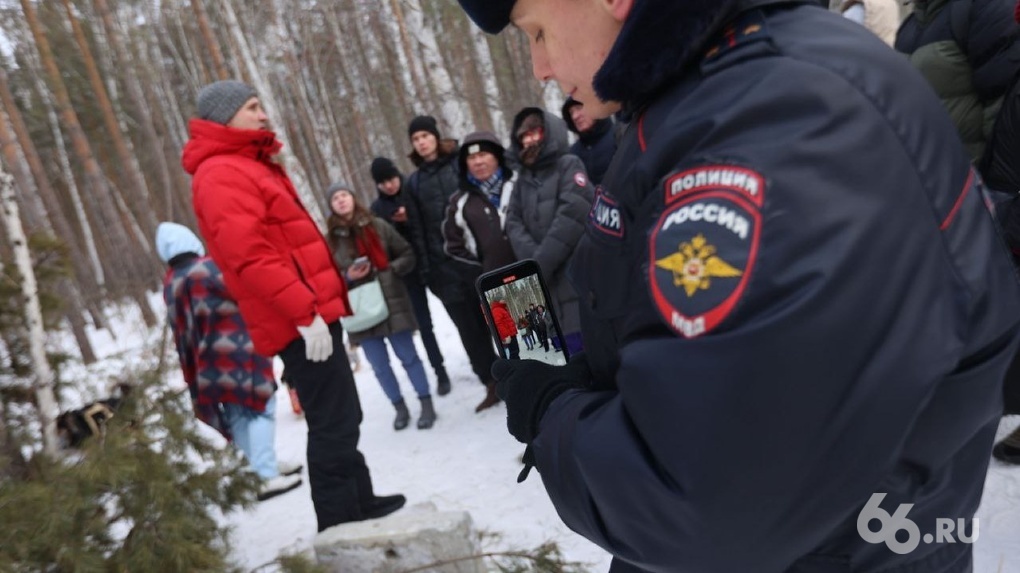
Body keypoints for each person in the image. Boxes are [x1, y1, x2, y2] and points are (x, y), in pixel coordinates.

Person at [456, 1, 1020, 571]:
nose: (540, 66)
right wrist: (603, 380)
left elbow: (701, 498)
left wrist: (554, 413)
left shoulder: (768, 119)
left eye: (537, 32)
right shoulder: (710, 96)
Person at [182, 80, 404, 532]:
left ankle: (358, 500)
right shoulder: (222, 173)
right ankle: (340, 522)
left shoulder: (250, 165)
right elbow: (252, 257)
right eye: (252, 107)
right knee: (331, 420)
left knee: (343, 414)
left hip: (313, 314)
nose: (263, 115)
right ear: (225, 118)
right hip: (299, 322)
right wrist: (305, 314)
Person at [156, 222, 302, 502]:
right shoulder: (209, 268)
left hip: (203, 361)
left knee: (237, 413)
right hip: (236, 351)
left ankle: (258, 469)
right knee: (261, 407)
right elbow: (242, 293)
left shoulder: (171, 282)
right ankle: (265, 475)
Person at [404, 115, 501, 412]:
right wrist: (428, 272)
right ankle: (491, 384)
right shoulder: (414, 183)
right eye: (416, 139)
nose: (421, 142)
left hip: (477, 262)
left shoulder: (459, 163)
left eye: (425, 136)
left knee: (499, 323)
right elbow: (417, 231)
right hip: (444, 272)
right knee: (470, 333)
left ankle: (522, 376)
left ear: (435, 137)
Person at [325, 182, 437, 431]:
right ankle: (399, 408)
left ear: (353, 198)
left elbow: (407, 253)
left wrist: (388, 271)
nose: (341, 200)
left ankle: (425, 402)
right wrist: (348, 277)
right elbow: (326, 279)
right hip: (360, 311)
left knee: (408, 357)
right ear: (331, 207)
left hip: (391, 300)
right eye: (335, 199)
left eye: (344, 195)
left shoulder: (378, 226)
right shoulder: (329, 242)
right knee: (379, 366)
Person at [505, 107, 593, 357]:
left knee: (588, 352)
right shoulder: (522, 180)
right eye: (524, 136)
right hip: (543, 289)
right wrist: (535, 262)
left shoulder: (569, 164)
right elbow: (513, 221)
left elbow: (573, 214)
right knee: (559, 355)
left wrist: (539, 264)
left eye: (536, 132)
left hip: (573, 278)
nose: (530, 139)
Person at [895, 0, 1020, 164]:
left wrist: (997, 186)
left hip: (972, 180)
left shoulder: (985, 7)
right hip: (931, 179)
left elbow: (1003, 111)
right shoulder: (910, 25)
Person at [369, 157, 451, 395]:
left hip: (433, 264)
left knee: (459, 315)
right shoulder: (377, 209)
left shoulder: (413, 192)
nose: (389, 185)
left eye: (391, 179)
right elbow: (384, 245)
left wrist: (411, 218)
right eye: (383, 182)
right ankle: (440, 372)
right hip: (408, 275)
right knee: (424, 326)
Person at [442, 130, 517, 273]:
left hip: (534, 273)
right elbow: (453, 247)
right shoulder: (459, 202)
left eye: (483, 155)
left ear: (496, 157)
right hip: (495, 284)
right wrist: (481, 271)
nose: (478, 162)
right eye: (471, 157)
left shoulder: (519, 186)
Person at [561, 97, 617, 187]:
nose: (575, 116)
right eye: (571, 113)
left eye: (579, 108)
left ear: (594, 107)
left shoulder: (620, 136)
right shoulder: (572, 153)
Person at [489, 294, 520, 360]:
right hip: (509, 336)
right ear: (498, 301)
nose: (504, 300)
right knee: (514, 353)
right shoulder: (497, 310)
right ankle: (515, 367)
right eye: (502, 299)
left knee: (515, 352)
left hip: (511, 335)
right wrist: (506, 336)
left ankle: (517, 365)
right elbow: (498, 324)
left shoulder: (501, 308)